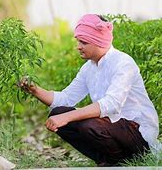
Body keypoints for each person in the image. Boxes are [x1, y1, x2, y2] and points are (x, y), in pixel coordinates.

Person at [19, 14, 159, 166]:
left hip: (138, 133)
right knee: (58, 112)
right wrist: (34, 90)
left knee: (88, 125)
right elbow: (66, 98)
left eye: (83, 42)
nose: (78, 46)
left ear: (98, 41)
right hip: (113, 128)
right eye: (78, 41)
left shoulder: (123, 63)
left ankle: (118, 162)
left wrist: (68, 117)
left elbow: (111, 104)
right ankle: (108, 160)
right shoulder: (89, 68)